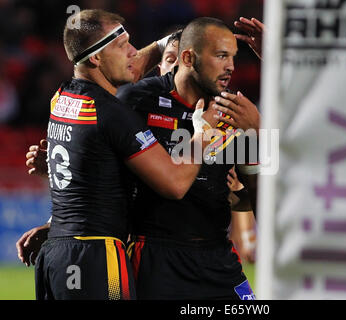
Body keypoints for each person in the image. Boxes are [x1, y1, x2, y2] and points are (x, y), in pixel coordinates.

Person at [25, 9, 218, 300]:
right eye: (122, 45)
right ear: (96, 58)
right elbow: (175, 183)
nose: (133, 52)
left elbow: (89, 169)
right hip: (95, 257)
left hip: (56, 253)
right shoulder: (113, 114)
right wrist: (203, 134)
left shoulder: (62, 98)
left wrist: (169, 42)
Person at [118, 17, 260, 300]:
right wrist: (56, 223)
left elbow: (263, 198)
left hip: (218, 256)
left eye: (232, 57)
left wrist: (259, 135)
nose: (230, 66)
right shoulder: (137, 100)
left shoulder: (238, 111)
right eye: (221, 56)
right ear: (187, 57)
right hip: (155, 255)